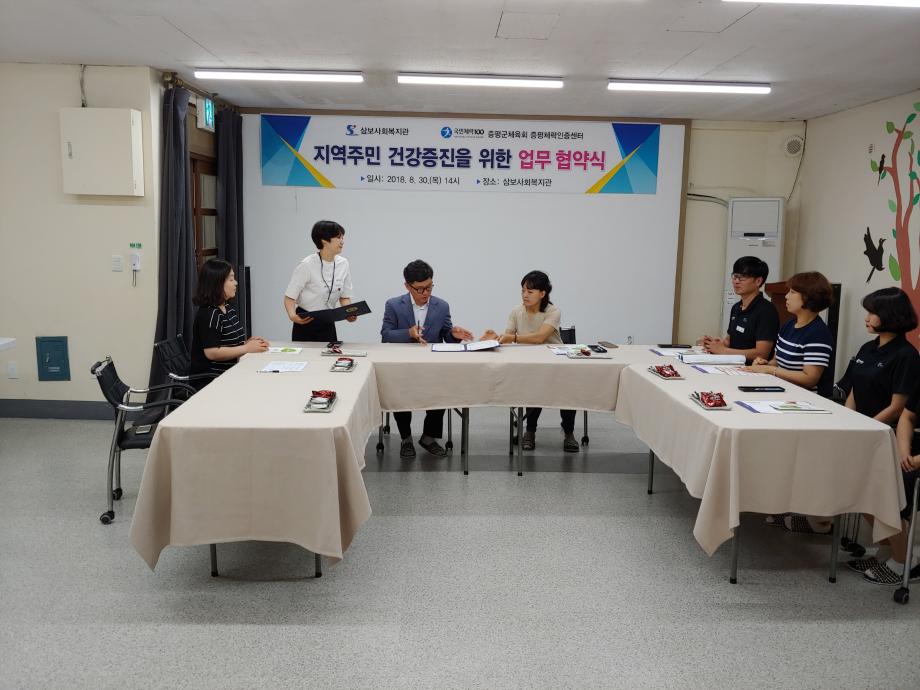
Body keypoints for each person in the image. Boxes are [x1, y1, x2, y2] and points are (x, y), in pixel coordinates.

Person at [835, 288, 920, 584]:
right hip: (861, 431)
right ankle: (888, 550)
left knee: (877, 493)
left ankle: (904, 560)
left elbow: (898, 407)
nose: (867, 318)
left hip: (885, 435)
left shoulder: (906, 355)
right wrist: (849, 421)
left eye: (873, 313)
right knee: (855, 490)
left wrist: (866, 428)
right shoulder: (868, 348)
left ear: (891, 316)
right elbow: (854, 391)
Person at [381, 260, 474, 459]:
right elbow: (386, 335)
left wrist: (454, 334)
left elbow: (446, 335)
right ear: (407, 286)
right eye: (420, 289)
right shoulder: (394, 305)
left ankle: (429, 437)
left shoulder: (442, 306)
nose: (426, 293)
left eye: (429, 287)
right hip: (403, 366)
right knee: (399, 392)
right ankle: (406, 438)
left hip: (432, 366)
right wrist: (408, 333)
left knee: (442, 390)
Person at [481, 270, 579, 453]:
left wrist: (512, 338)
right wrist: (494, 338)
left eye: (530, 291)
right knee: (534, 387)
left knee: (567, 390)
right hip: (529, 364)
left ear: (542, 293)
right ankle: (530, 432)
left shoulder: (553, 312)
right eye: (523, 291)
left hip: (555, 363)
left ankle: (569, 433)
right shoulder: (516, 311)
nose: (525, 295)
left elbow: (539, 337)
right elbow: (507, 338)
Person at [742, 271, 835, 398]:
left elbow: (809, 379)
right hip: (783, 391)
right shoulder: (789, 325)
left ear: (808, 297)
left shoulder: (818, 334)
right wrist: (764, 365)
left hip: (806, 399)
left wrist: (771, 370)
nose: (786, 296)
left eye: (792, 292)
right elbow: (776, 361)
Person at [190, 258, 268, 386]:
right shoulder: (210, 314)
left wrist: (249, 343)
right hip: (213, 379)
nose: (236, 283)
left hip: (231, 372)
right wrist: (246, 348)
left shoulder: (227, 308)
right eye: (231, 280)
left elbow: (228, 342)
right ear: (217, 284)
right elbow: (212, 352)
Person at [283, 220, 357, 343]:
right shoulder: (307, 264)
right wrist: (292, 316)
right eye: (338, 238)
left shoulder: (343, 263)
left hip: (328, 320)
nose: (342, 242)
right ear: (324, 240)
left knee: (330, 354)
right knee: (306, 355)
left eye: (343, 238)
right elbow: (289, 297)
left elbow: (344, 297)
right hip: (306, 320)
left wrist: (349, 313)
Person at [699, 256, 779, 364]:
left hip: (753, 369)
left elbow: (762, 353)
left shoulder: (766, 310)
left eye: (742, 277)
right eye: (735, 276)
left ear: (758, 281)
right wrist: (713, 344)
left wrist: (723, 351)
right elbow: (729, 341)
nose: (736, 281)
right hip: (732, 366)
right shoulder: (736, 307)